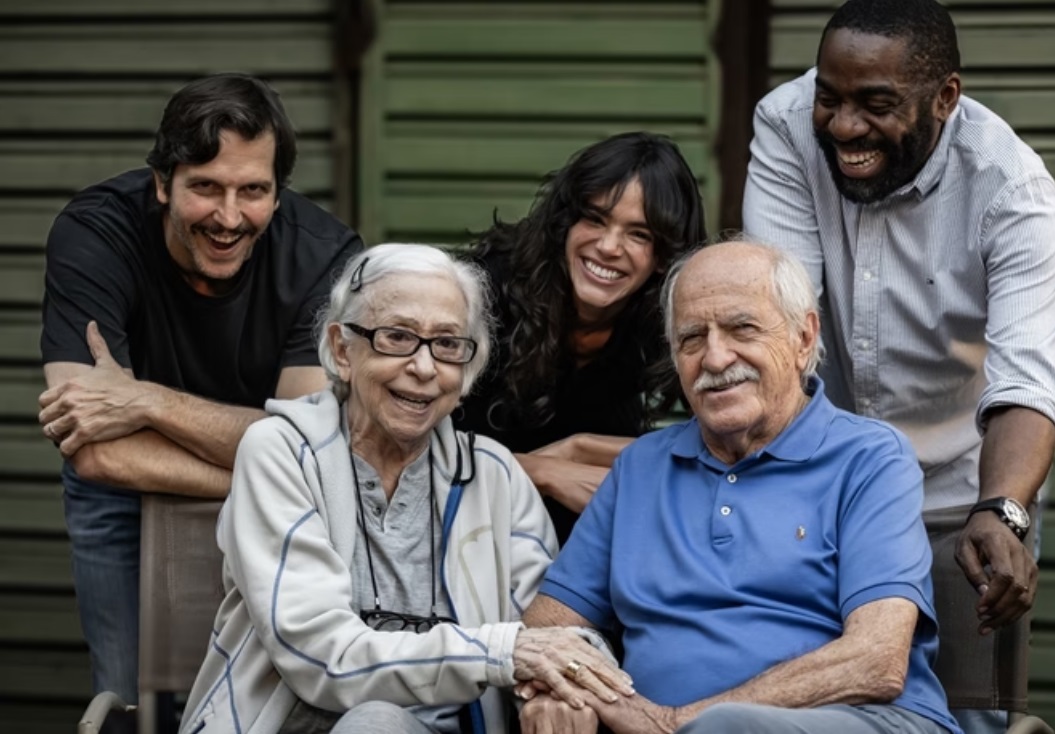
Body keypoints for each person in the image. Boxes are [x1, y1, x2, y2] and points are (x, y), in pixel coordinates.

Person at [741, 1, 1055, 730]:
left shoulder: (1011, 191)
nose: (844, 126)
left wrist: (1001, 511)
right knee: (808, 700)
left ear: (944, 97)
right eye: (830, 97)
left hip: (960, 494)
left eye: (876, 104)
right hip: (819, 481)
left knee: (970, 714)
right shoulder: (786, 123)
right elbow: (779, 327)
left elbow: (1027, 379)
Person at [179, 245, 633, 734]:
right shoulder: (281, 453)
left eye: (447, 345)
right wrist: (500, 652)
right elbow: (321, 656)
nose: (423, 367)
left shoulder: (493, 474)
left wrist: (562, 680)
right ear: (341, 349)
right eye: (396, 337)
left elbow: (552, 627)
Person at [518, 240, 961, 734]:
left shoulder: (869, 458)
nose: (714, 357)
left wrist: (677, 723)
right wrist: (562, 690)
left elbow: (875, 660)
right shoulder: (641, 467)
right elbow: (547, 625)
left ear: (803, 337)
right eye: (691, 338)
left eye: (742, 328)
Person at [37, 73, 363, 707]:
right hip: (119, 493)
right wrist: (276, 464)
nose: (229, 216)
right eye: (205, 188)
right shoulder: (95, 235)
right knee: (134, 699)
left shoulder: (324, 257)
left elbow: (312, 452)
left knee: (272, 694)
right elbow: (96, 452)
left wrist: (145, 402)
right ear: (163, 184)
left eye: (254, 191)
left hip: (269, 499)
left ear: (278, 192)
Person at [458, 132, 707, 543]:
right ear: (564, 223)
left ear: (664, 257)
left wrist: (581, 447)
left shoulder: (662, 322)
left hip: (573, 548)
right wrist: (543, 471)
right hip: (460, 531)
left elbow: (719, 446)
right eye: (594, 219)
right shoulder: (481, 294)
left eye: (639, 234)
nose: (608, 247)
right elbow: (408, 455)